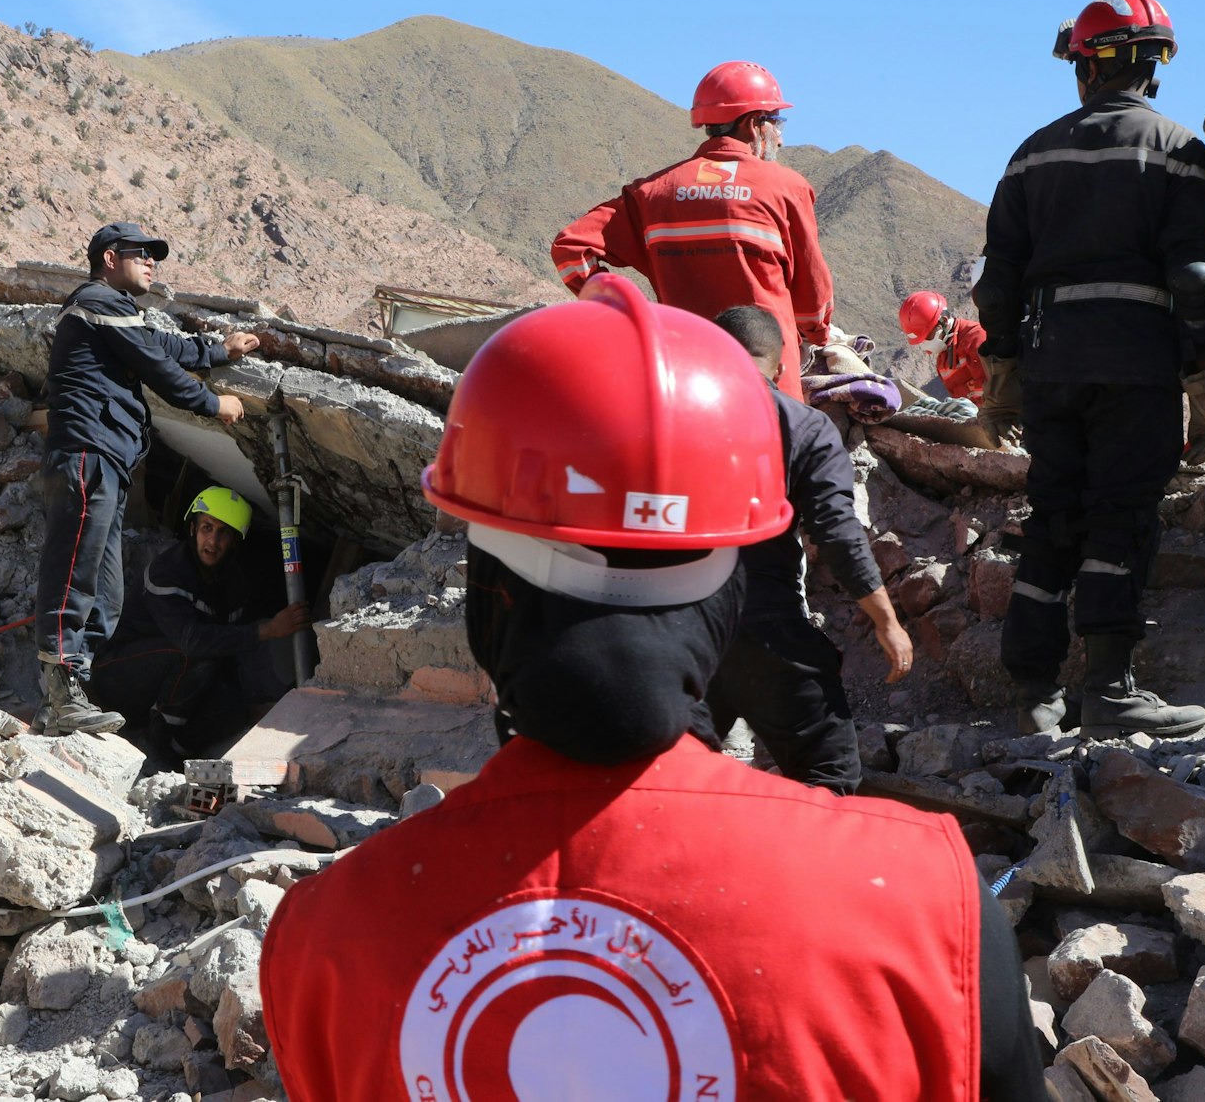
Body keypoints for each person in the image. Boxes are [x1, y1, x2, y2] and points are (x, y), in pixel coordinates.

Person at [258, 274, 1044, 1101]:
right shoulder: (926, 912)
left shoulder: (322, 942)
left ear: (488, 589)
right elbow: (839, 530)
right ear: (728, 585)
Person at [976, 0, 1205, 736]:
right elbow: (1194, 279)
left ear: (1085, 69)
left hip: (1050, 365)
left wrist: (1007, 374)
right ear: (1156, 69)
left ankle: (1034, 692)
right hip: (1136, 366)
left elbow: (994, 287)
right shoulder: (1181, 151)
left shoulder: (1031, 154)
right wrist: (1204, 370)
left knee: (1053, 514)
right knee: (1120, 515)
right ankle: (1110, 688)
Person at [35, 222, 260, 735]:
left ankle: (70, 697)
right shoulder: (97, 300)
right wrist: (213, 404)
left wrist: (220, 352)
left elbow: (157, 347)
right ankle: (61, 688)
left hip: (109, 460)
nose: (152, 262)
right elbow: (160, 370)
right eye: (142, 254)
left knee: (108, 594)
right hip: (88, 453)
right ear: (110, 258)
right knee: (73, 572)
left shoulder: (117, 314)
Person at [702, 305, 912, 794]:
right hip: (768, 633)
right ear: (781, 368)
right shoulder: (805, 428)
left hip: (680, 631)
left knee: (664, 783)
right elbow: (837, 534)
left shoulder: (671, 419)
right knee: (828, 781)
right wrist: (886, 623)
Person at [550, 60, 833, 399]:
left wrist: (629, 316)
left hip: (684, 378)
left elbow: (571, 249)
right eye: (776, 122)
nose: (781, 138)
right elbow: (812, 295)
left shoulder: (653, 192)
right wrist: (815, 334)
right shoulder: (787, 187)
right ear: (753, 124)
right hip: (768, 381)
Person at [90, 486, 308, 768]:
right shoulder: (168, 571)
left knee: (234, 704)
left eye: (224, 533)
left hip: (178, 679)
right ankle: (153, 743)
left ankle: (178, 752)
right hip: (119, 676)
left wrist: (261, 701)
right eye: (207, 527)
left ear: (234, 541)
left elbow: (234, 650)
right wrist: (267, 629)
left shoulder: (235, 584)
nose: (213, 540)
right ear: (193, 529)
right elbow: (193, 642)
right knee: (194, 652)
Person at [900, 289, 991, 405]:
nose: (924, 345)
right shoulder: (942, 362)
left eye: (927, 336)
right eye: (920, 341)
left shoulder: (976, 339)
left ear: (943, 321)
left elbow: (994, 393)